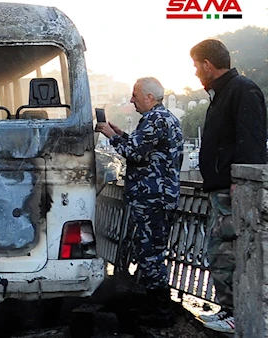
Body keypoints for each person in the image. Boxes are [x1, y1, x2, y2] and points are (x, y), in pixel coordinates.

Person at [190, 39, 267, 334]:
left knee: (229, 253)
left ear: (208, 65)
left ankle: (236, 312)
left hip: (232, 190)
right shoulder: (223, 94)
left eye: (197, 65)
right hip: (221, 189)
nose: (196, 72)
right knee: (218, 252)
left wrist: (241, 185)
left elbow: (251, 142)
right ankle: (228, 309)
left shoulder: (242, 90)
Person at [96, 77, 183, 328]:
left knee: (151, 255)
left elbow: (134, 153)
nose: (132, 100)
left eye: (135, 95)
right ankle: (155, 305)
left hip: (152, 200)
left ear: (149, 97)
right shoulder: (164, 119)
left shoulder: (155, 120)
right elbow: (142, 148)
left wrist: (111, 136)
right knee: (151, 253)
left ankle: (161, 311)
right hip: (159, 199)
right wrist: (122, 134)